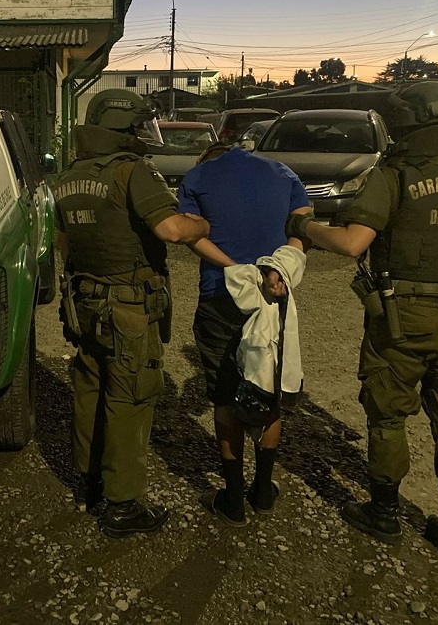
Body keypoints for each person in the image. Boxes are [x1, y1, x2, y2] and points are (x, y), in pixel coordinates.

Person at [284, 81, 438, 562]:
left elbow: (351, 243)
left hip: (401, 318)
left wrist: (302, 226)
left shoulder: (393, 176)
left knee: (387, 416)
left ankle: (383, 514)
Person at [55, 89, 210, 538]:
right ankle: (123, 505)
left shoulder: (68, 175)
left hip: (84, 301)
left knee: (89, 389)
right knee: (131, 398)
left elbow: (64, 244)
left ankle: (89, 483)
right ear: (126, 127)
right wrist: (202, 223)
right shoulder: (132, 170)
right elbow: (171, 229)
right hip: (126, 308)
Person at [177, 141, 313, 526]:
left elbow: (190, 236)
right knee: (267, 388)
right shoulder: (283, 173)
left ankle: (234, 499)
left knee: (224, 398)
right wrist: (276, 269)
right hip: (273, 299)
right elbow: (304, 226)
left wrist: (235, 265)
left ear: (208, 156)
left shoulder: (197, 176)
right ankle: (264, 489)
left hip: (221, 297)